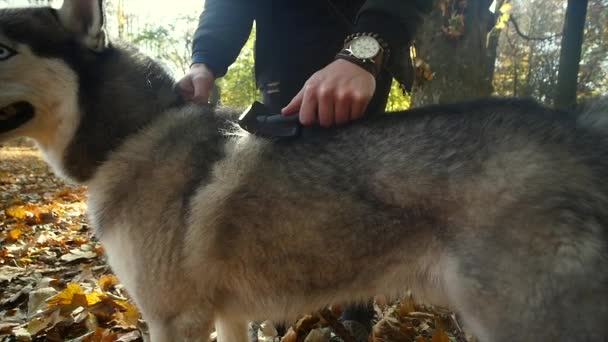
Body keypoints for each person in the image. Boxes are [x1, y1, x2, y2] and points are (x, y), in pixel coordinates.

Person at [177, 0, 431, 340]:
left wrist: (364, 53)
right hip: (285, 56)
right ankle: (279, 321)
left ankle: (356, 313)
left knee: (355, 191)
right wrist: (204, 62)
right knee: (278, 196)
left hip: (366, 59)